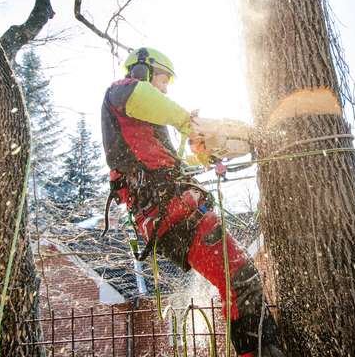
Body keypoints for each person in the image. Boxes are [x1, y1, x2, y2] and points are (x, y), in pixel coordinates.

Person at [100, 47, 283, 357]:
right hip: (171, 213)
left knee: (238, 280)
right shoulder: (122, 92)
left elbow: (171, 163)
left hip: (173, 212)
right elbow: (153, 102)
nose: (165, 87)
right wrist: (188, 122)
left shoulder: (144, 127)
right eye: (162, 79)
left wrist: (208, 153)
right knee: (241, 279)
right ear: (142, 71)